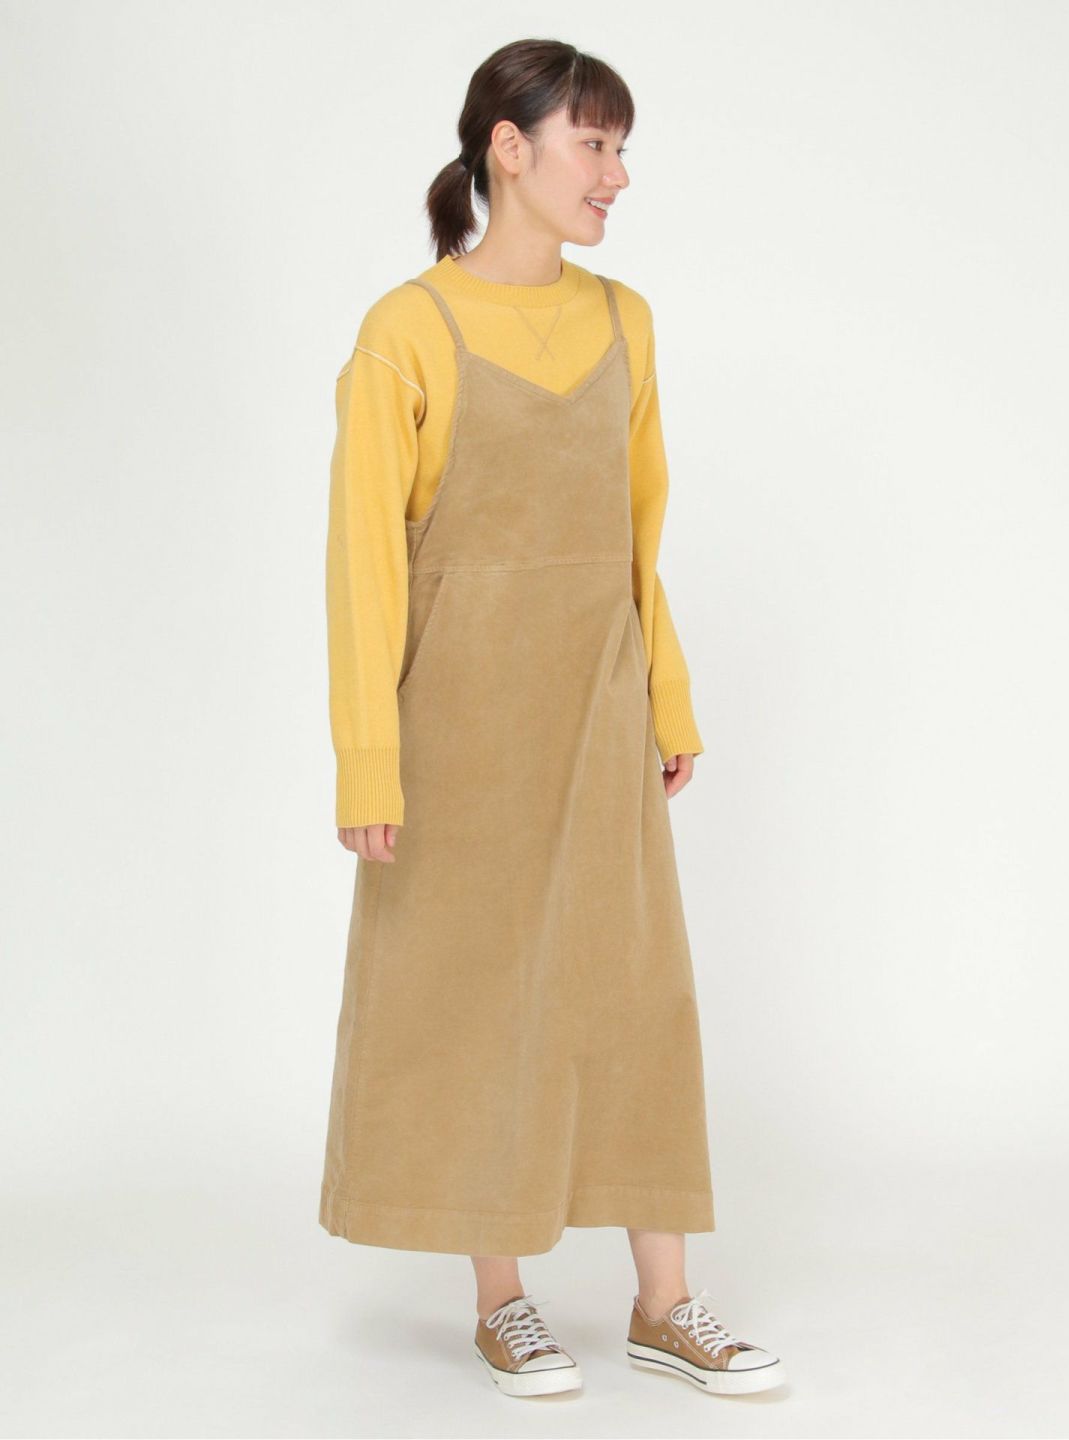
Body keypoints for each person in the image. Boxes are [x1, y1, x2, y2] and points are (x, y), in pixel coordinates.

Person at [318, 37, 786, 1398]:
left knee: (637, 993)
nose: (618, 175)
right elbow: (364, 564)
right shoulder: (407, 331)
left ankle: (665, 1304)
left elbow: (640, 542)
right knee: (477, 996)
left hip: (597, 710)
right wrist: (368, 760)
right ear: (508, 150)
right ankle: (503, 1299)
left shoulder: (626, 321)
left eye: (622, 148)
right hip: (457, 728)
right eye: (595, 144)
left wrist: (668, 698)